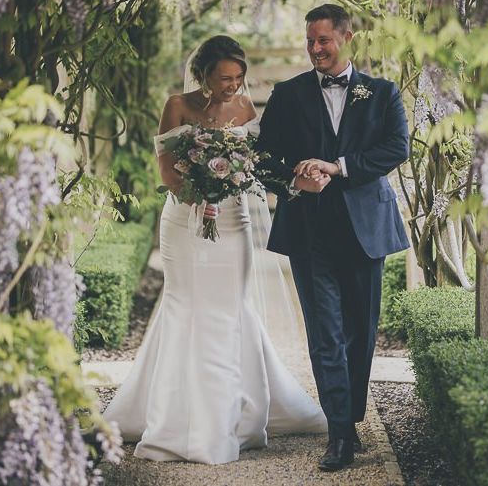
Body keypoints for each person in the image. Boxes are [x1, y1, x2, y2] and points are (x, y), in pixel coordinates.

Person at [103, 35, 327, 465]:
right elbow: (167, 172)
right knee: (184, 306)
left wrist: (233, 183)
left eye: (239, 77)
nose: (233, 85)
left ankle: (236, 417)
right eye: (224, 78)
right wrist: (202, 187)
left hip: (232, 220)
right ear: (203, 76)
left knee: (230, 308)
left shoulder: (244, 108)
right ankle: (174, 418)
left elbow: (258, 164)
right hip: (184, 221)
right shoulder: (177, 105)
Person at [256, 4, 410, 471]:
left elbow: (396, 147)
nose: (315, 49)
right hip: (309, 231)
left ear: (347, 38)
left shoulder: (381, 93)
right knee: (325, 335)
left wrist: (338, 167)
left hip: (365, 229)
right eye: (309, 41)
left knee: (360, 333)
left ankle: (351, 417)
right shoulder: (288, 94)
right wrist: (294, 179)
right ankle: (340, 433)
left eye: (323, 40)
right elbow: (263, 159)